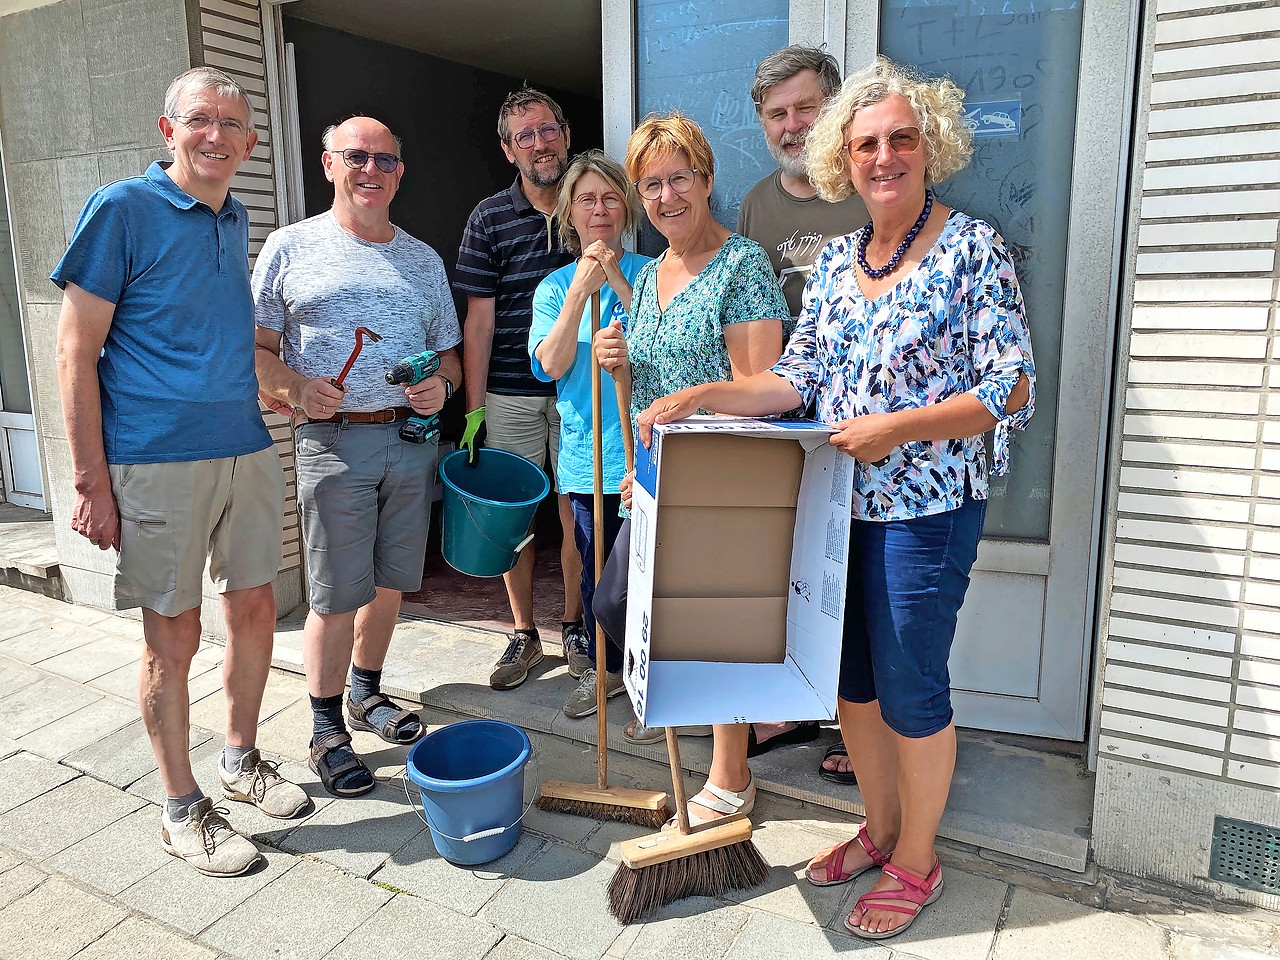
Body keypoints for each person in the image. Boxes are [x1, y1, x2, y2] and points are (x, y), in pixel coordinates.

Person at [635, 57, 1035, 940]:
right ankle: (882, 829)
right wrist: (701, 398)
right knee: (850, 687)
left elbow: (1011, 388)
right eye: (864, 145)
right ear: (842, 162)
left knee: (910, 693)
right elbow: (794, 378)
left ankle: (919, 863)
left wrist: (899, 426)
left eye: (899, 138)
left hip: (926, 511)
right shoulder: (842, 261)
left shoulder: (970, 248)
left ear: (929, 146)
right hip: (838, 506)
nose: (883, 156)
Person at [51, 67, 308, 877]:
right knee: (174, 634)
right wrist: (90, 483)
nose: (217, 137)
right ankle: (180, 806)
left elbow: (217, 340)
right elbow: (74, 350)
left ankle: (239, 759)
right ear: (168, 130)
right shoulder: (122, 209)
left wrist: (284, 387)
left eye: (233, 125)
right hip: (155, 458)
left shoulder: (233, 220)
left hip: (245, 447)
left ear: (250, 144)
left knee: (258, 607)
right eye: (201, 120)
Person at [253, 117, 462, 798]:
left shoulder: (423, 260)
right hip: (333, 441)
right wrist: (292, 386)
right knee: (336, 590)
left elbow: (451, 354)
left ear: (401, 172)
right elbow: (255, 349)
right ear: (328, 164)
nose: (371, 170)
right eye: (357, 157)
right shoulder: (290, 248)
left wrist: (444, 387)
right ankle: (324, 729)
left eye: (385, 160)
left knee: (392, 579)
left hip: (410, 439)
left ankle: (365, 695)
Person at [593, 112, 790, 825]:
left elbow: (762, 388)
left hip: (722, 481)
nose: (667, 196)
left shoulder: (742, 267)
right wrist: (620, 367)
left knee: (710, 627)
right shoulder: (648, 278)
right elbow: (645, 388)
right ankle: (711, 720)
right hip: (655, 480)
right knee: (619, 606)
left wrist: (694, 404)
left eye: (680, 178)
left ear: (706, 180)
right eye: (652, 185)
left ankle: (731, 774)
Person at [738, 44, 870, 776]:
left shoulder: (867, 183)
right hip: (787, 417)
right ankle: (787, 709)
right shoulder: (758, 202)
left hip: (865, 425)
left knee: (857, 571)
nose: (792, 126)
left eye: (805, 109)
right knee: (796, 568)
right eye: (777, 113)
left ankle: (859, 728)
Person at [455, 86, 587, 692]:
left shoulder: (591, 202)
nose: (540, 144)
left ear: (564, 132)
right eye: (525, 136)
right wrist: (474, 410)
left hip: (580, 389)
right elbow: (478, 321)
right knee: (518, 513)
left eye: (547, 130)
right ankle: (524, 632)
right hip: (509, 391)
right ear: (509, 151)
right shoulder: (489, 217)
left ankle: (577, 627)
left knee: (577, 507)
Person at [528, 150, 651, 720]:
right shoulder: (553, 287)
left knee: (648, 579)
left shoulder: (654, 272)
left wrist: (617, 283)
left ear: (626, 207)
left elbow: (659, 349)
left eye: (609, 197)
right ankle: (604, 672)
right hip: (587, 459)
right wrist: (581, 289)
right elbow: (549, 365)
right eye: (586, 199)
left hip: (646, 455)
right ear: (569, 212)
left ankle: (653, 684)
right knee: (600, 577)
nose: (598, 209)